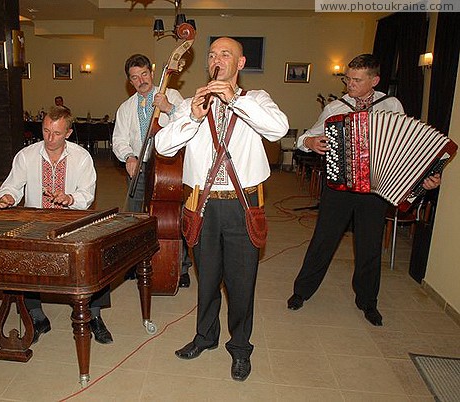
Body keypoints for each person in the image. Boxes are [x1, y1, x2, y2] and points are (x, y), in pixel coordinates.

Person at [155, 37, 289, 381]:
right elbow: (163, 146)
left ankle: (240, 348)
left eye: (225, 53)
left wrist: (234, 101)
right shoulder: (190, 103)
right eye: (212, 54)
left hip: (242, 206)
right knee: (207, 278)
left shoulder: (257, 100)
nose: (217, 58)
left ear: (240, 64)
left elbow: (278, 129)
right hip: (201, 205)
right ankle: (205, 337)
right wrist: (192, 119)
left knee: (242, 283)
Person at [287, 54, 441, 326]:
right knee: (324, 239)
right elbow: (303, 138)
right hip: (340, 185)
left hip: (376, 187)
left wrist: (424, 178)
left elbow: (407, 146)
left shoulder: (391, 105)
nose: (350, 85)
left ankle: (368, 302)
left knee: (369, 246)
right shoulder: (336, 107)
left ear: (374, 80)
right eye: (348, 78)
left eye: (357, 80)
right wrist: (309, 141)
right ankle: (302, 291)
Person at [0, 105, 114, 345]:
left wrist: (70, 199)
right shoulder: (27, 155)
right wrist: (7, 196)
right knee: (21, 261)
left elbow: (87, 195)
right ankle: (36, 317)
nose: (49, 138)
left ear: (68, 133)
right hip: (37, 221)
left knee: (95, 258)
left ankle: (94, 317)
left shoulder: (81, 157)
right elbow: (12, 185)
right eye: (46, 130)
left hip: (72, 220)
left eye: (57, 133)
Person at [112, 53, 192, 287]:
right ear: (130, 81)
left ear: (152, 72)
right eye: (135, 78)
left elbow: (189, 122)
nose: (141, 81)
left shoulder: (173, 95)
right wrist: (128, 157)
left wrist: (169, 108)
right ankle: (134, 264)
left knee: (173, 218)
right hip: (139, 167)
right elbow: (119, 139)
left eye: (144, 74)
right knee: (134, 219)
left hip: (169, 167)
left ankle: (182, 266)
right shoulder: (126, 108)